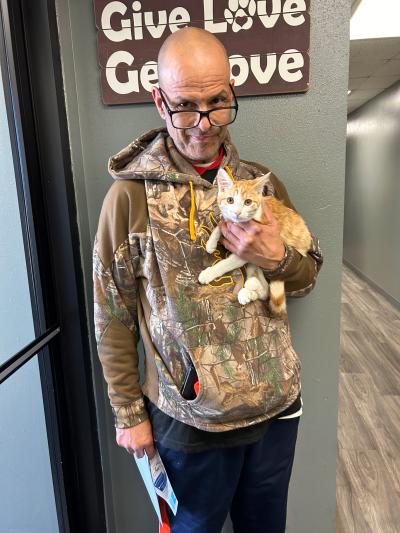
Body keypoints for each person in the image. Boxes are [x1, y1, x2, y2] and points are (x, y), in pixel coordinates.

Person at [93, 27, 323, 533]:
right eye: (185, 105)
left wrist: (276, 257)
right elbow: (111, 313)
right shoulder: (129, 200)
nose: (203, 123)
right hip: (189, 422)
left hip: (276, 408)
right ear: (159, 100)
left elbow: (306, 280)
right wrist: (128, 413)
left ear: (232, 93)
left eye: (217, 102)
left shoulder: (260, 183)